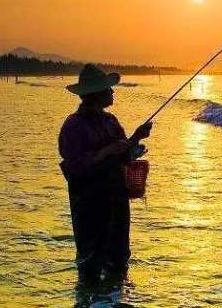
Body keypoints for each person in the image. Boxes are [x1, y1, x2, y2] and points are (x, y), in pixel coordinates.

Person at [59, 64, 152, 282]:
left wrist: (137, 137)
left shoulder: (111, 121)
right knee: (91, 259)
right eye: (107, 89)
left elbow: (123, 154)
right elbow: (74, 165)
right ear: (95, 95)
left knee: (119, 258)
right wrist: (108, 151)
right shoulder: (73, 126)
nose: (112, 92)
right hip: (90, 203)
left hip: (116, 199)